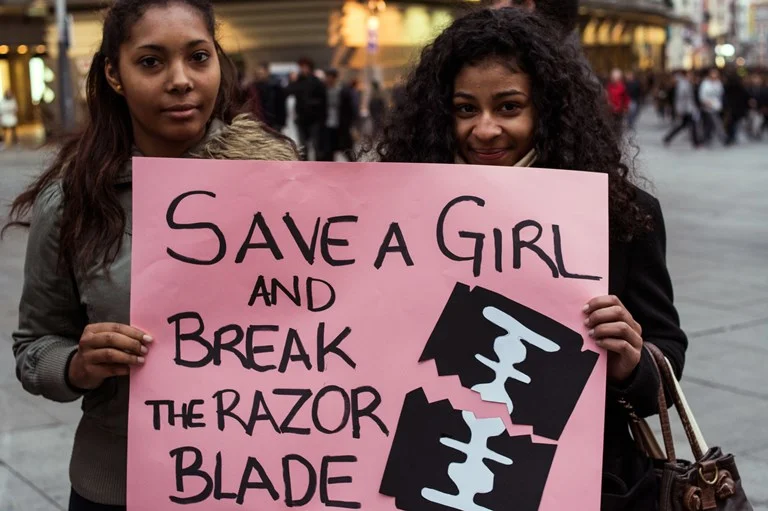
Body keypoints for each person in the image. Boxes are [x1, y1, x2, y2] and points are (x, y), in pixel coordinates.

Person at [374, 8, 687, 510]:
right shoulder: (397, 214)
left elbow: (667, 358)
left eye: (509, 106)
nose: (485, 129)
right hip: (431, 474)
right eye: (465, 108)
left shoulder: (619, 215)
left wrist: (632, 363)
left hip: (581, 484)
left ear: (547, 110)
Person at [4, 1, 298, 509]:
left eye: (198, 57)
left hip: (265, 479)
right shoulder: (73, 202)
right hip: (120, 487)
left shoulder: (281, 183)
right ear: (114, 75)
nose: (180, 81)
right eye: (151, 62)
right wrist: (78, 365)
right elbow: (34, 346)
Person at [286, 57, 327, 160]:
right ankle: (305, 165)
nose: (303, 69)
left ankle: (318, 165)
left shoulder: (316, 82)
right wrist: (292, 81)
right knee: (303, 146)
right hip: (301, 119)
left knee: (316, 145)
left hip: (314, 119)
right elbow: (288, 91)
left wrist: (311, 104)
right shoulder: (298, 81)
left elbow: (323, 100)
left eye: (305, 67)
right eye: (301, 67)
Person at [319, 68, 357, 161]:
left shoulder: (344, 91)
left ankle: (354, 166)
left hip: (341, 125)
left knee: (346, 149)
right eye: (327, 77)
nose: (328, 79)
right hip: (327, 125)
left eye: (330, 77)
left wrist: (350, 123)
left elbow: (350, 109)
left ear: (335, 78)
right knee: (328, 152)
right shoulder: (322, 91)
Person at [663, 70, 700, 148]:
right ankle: (696, 142)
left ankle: (668, 138)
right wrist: (680, 109)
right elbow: (681, 98)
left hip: (688, 108)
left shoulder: (687, 84)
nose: (691, 77)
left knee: (683, 125)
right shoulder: (683, 85)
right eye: (690, 75)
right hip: (686, 109)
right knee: (692, 125)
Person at [699, 68, 726, 145]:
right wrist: (706, 102)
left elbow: (721, 94)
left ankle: (706, 138)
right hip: (708, 107)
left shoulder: (718, 83)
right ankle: (723, 137)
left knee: (710, 124)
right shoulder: (705, 83)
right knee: (716, 122)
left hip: (717, 106)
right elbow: (702, 95)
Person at [723, 70, 750, 146]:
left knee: (731, 123)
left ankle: (731, 137)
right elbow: (745, 95)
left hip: (731, 107)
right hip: (737, 107)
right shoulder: (738, 86)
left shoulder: (727, 86)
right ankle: (732, 137)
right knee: (734, 123)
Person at [606, 68, 630, 134]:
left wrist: (626, 108)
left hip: (619, 111)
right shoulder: (609, 86)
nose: (613, 79)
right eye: (612, 77)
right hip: (609, 111)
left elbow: (626, 99)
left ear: (619, 78)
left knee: (617, 127)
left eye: (615, 77)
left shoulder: (622, 87)